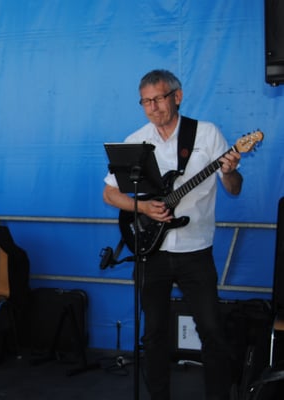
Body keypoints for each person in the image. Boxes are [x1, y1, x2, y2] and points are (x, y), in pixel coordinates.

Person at [103, 69, 242, 400]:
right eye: (145, 101)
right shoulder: (135, 141)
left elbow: (234, 189)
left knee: (211, 330)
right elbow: (110, 194)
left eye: (159, 99)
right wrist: (145, 208)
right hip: (152, 252)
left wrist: (230, 172)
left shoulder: (206, 134)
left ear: (177, 97)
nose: (152, 107)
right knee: (153, 335)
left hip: (196, 250)